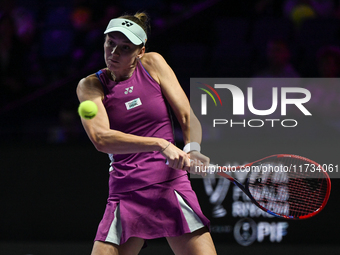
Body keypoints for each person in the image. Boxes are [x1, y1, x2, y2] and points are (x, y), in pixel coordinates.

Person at [76, 12, 217, 255]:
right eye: (110, 43)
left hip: (170, 185)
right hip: (127, 189)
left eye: (125, 48)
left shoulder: (153, 64)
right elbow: (101, 139)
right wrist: (160, 144)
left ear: (140, 52)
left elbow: (186, 116)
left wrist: (193, 148)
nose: (114, 53)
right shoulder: (90, 86)